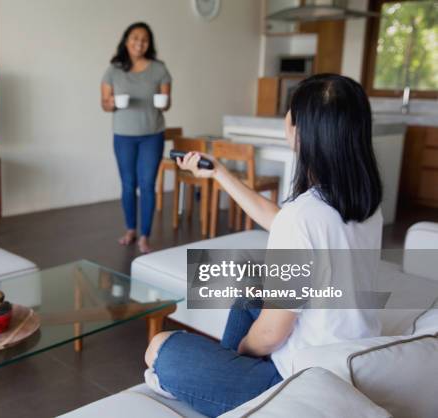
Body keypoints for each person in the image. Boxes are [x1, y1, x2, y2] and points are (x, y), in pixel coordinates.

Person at [143, 74, 384, 417]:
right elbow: (281, 219)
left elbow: (271, 334)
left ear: (301, 132)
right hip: (348, 361)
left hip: (299, 383)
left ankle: (236, 390)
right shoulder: (364, 201)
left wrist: (241, 350)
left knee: (159, 348)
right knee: (251, 287)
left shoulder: (302, 217)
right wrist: (220, 174)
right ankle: (230, 376)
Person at [101, 22, 172, 254]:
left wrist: (164, 101)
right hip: (124, 136)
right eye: (135, 38)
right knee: (128, 184)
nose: (139, 43)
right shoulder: (113, 70)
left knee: (148, 185)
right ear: (126, 40)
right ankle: (130, 229)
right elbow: (104, 104)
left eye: (144, 39)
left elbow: (167, 103)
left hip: (152, 135)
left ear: (149, 44)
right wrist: (110, 103)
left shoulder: (159, 69)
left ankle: (145, 236)